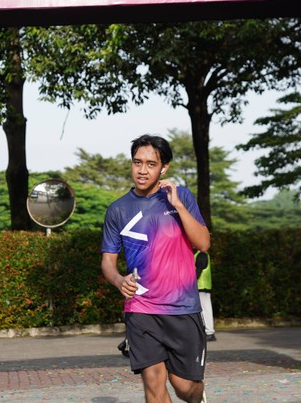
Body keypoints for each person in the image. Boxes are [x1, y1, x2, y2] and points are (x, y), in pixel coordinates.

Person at [101, 134, 210, 403]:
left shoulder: (181, 197)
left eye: (151, 164)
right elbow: (108, 262)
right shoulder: (117, 210)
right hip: (141, 308)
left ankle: (198, 396)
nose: (142, 170)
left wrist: (178, 206)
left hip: (182, 308)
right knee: (153, 383)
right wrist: (118, 280)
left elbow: (203, 243)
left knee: (186, 388)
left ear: (164, 168)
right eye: (137, 162)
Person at [195, 251, 216, 342]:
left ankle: (209, 332)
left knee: (205, 309)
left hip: (201, 286)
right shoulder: (200, 254)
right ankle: (207, 331)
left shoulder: (201, 254)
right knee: (204, 309)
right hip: (202, 286)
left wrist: (190, 281)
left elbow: (198, 270)